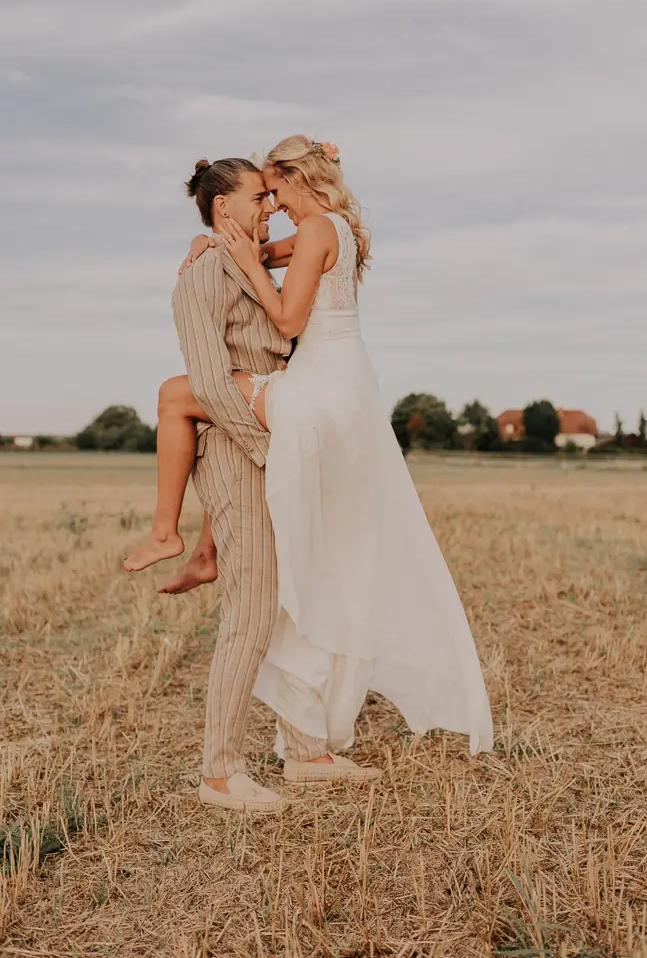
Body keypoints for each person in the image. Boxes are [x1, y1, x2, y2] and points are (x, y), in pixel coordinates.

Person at [132, 137, 494, 804]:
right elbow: (212, 379)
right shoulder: (217, 271)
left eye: (273, 192)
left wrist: (228, 246)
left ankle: (305, 750)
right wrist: (210, 250)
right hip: (260, 439)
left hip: (294, 418)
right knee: (253, 608)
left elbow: (275, 290)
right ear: (224, 206)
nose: (268, 206)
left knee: (306, 587)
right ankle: (219, 772)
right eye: (257, 197)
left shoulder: (293, 243)